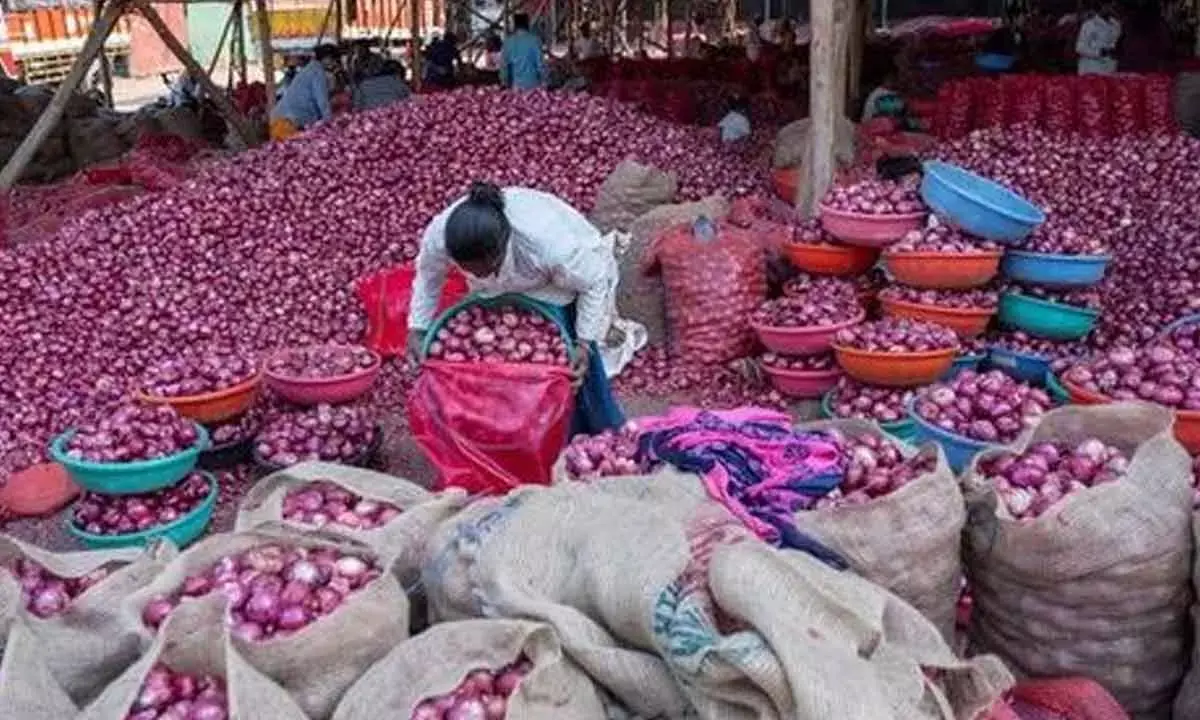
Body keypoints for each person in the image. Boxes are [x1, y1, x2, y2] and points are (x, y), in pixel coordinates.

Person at [406, 182, 625, 434]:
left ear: (501, 248)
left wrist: (584, 343)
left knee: (566, 362)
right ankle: (504, 430)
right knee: (500, 358)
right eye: (471, 269)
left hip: (556, 285)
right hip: (505, 285)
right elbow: (427, 276)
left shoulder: (549, 245)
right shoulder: (442, 236)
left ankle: (573, 433)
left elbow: (593, 283)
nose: (481, 275)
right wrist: (418, 327)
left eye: (487, 268)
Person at [270, 44, 342, 141]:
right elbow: (322, 102)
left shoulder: (311, 69)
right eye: (334, 60)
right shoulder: (317, 71)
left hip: (283, 119)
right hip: (287, 122)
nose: (334, 64)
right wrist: (331, 127)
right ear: (327, 58)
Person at [501, 13, 546, 89]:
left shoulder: (508, 42)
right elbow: (541, 65)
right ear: (527, 24)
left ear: (515, 25)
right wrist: (545, 82)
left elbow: (504, 67)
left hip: (516, 86)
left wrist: (504, 83)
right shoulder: (535, 40)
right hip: (534, 86)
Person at [1076, 1, 1122, 75]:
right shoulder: (1089, 24)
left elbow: (1115, 43)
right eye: (1107, 6)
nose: (1110, 8)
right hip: (1091, 67)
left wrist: (1115, 52)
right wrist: (1099, 52)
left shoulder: (1116, 25)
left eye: (1112, 6)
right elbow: (1079, 48)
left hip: (1110, 67)